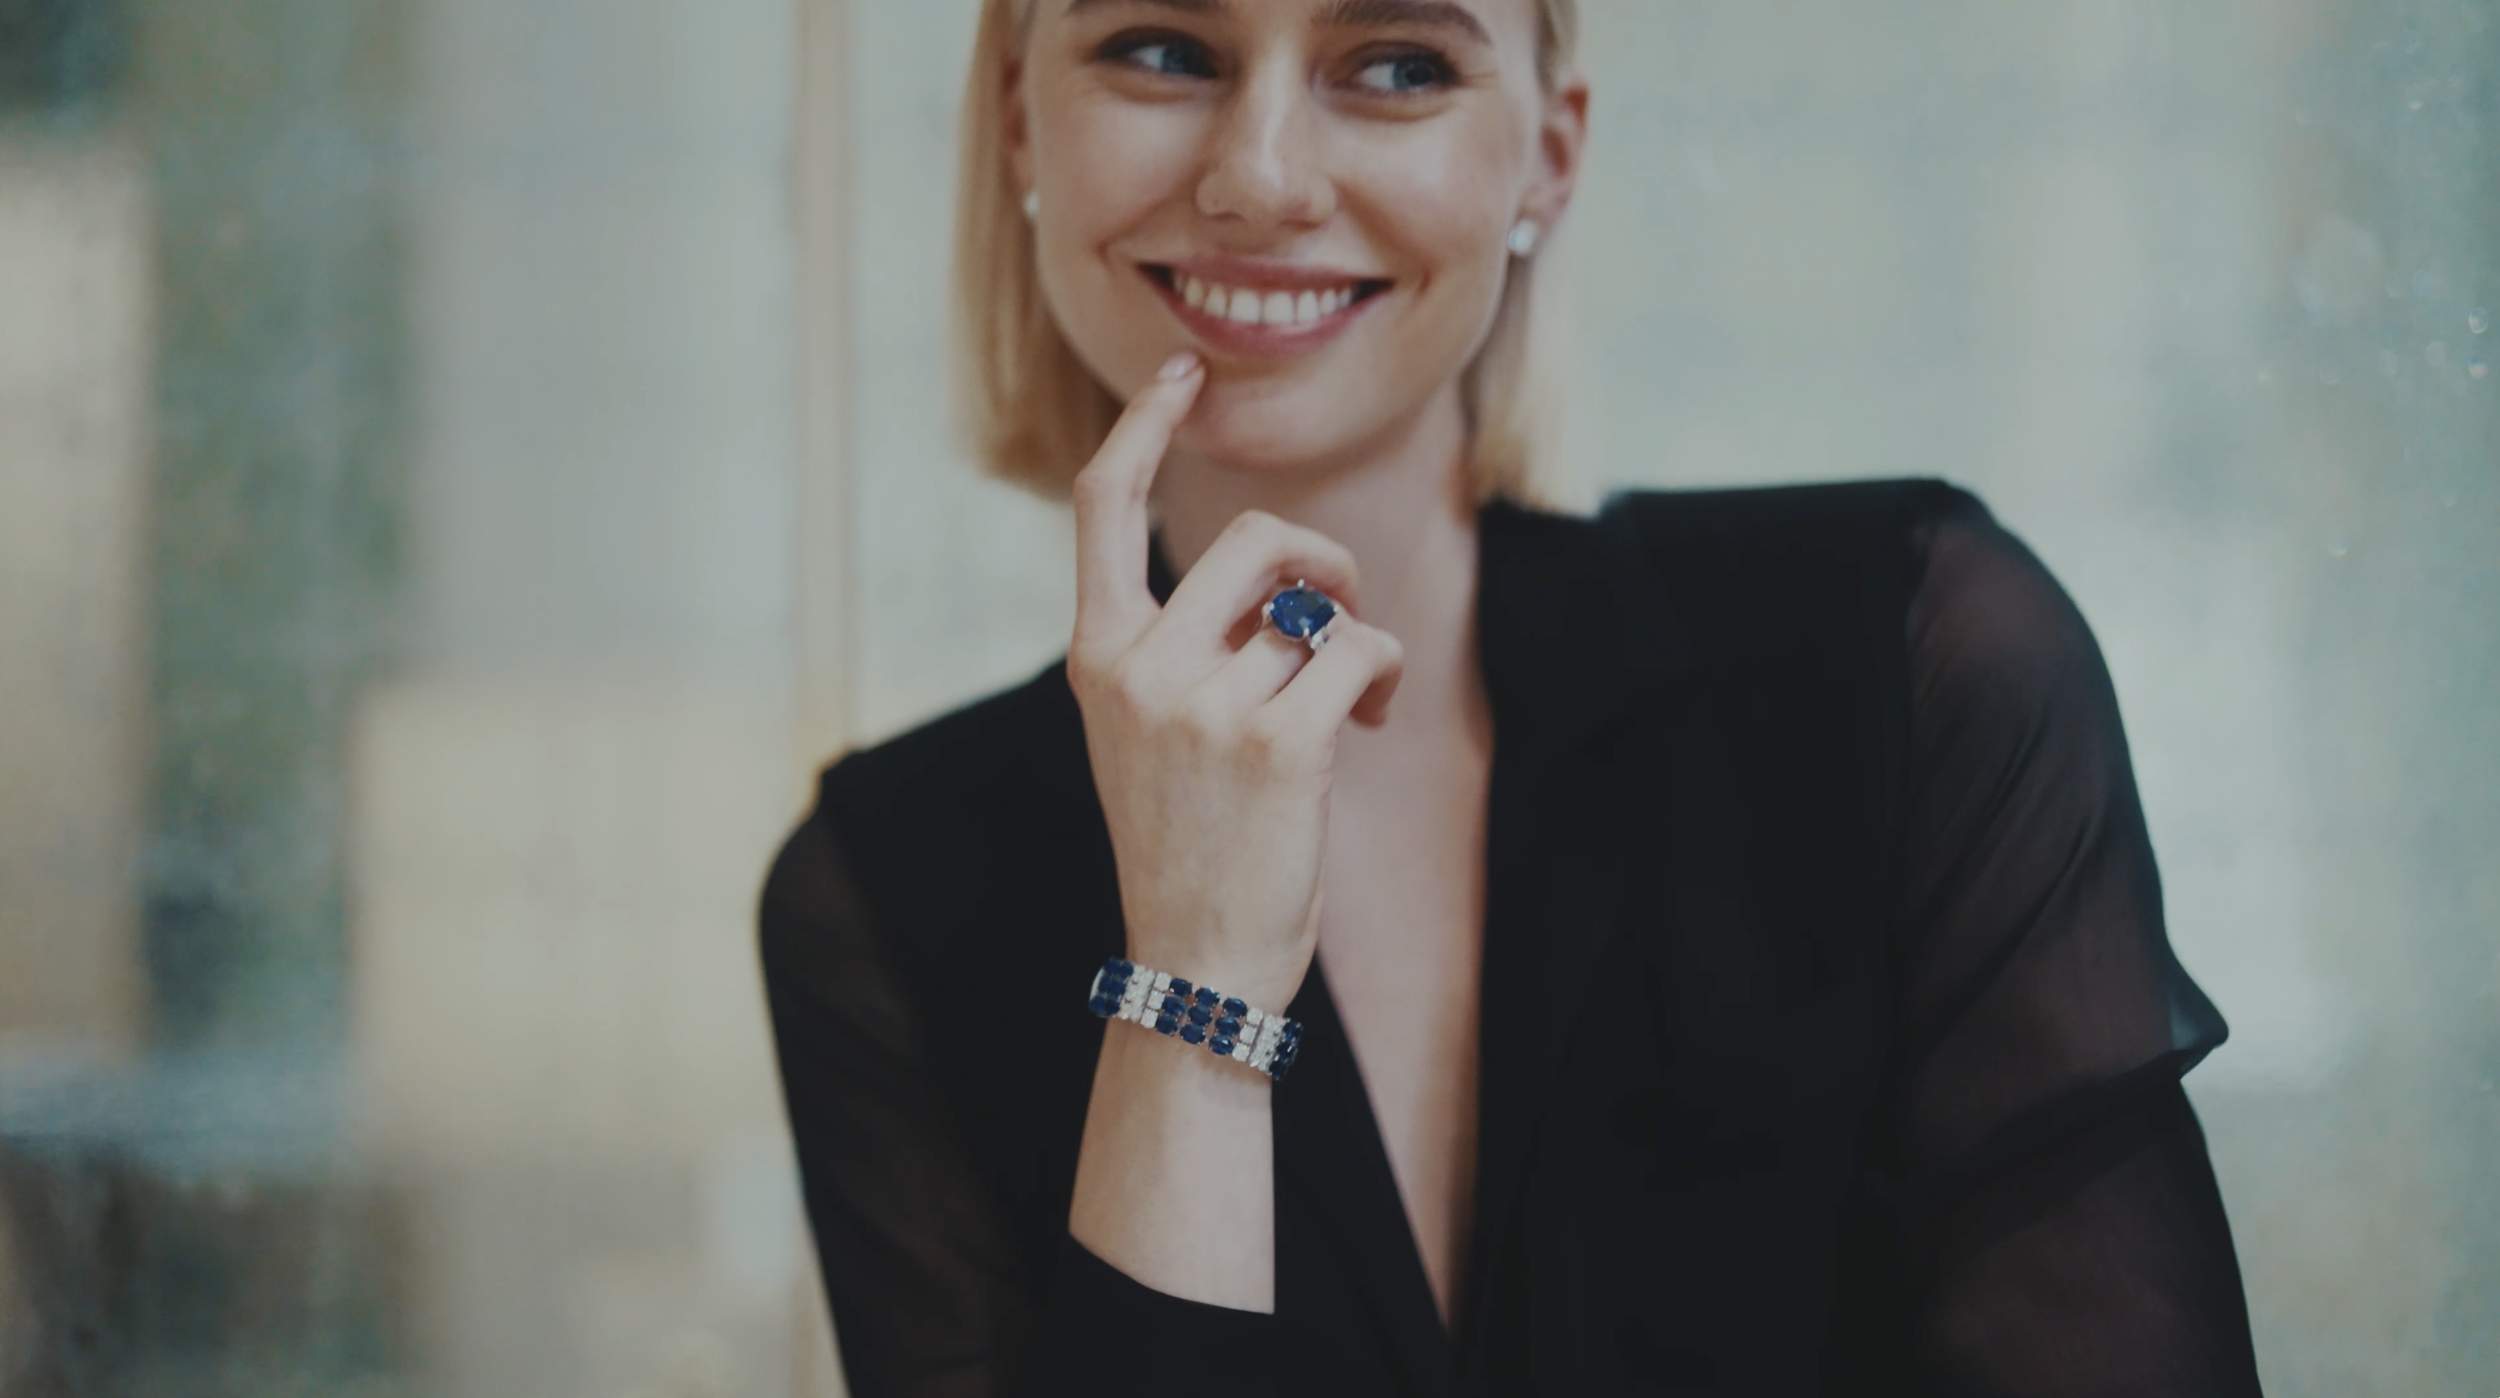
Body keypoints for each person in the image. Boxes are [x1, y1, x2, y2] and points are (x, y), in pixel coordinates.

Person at [759, 0, 2264, 1392]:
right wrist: (1191, 981)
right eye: (1163, 48)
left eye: (1399, 62)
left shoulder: (1919, 655)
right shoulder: (879, 890)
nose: (1261, 177)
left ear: (1549, 154)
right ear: (1021, 126)